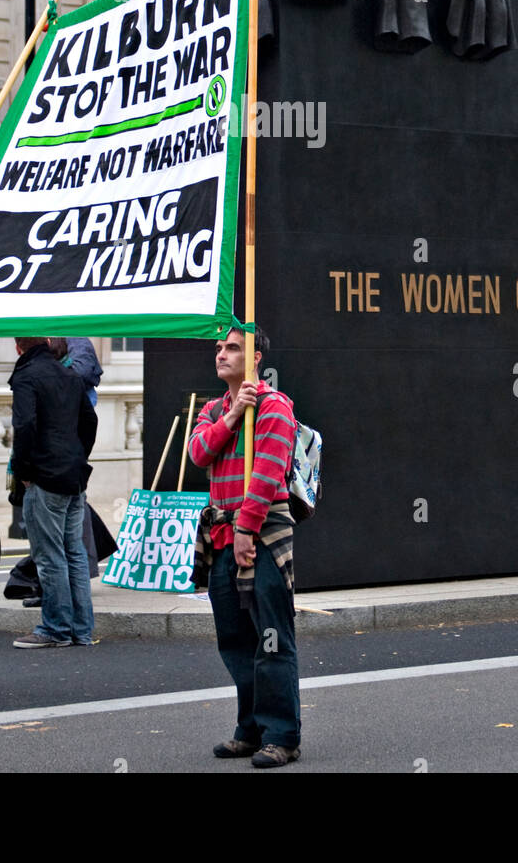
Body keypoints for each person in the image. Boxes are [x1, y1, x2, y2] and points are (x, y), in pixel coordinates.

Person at [188, 326, 300, 768]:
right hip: (221, 537)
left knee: (271, 638)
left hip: (261, 537)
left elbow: (268, 473)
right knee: (235, 639)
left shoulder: (276, 407)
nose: (222, 354)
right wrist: (232, 416)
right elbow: (198, 454)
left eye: (232, 348)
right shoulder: (214, 409)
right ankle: (251, 729)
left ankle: (283, 736)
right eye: (219, 347)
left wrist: (245, 531)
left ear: (255, 358)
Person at [8, 336, 97, 649]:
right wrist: (77, 456)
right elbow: (90, 420)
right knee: (74, 552)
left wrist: (24, 472)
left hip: (45, 477)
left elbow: (25, 426)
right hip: (73, 475)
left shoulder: (26, 376)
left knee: (49, 556)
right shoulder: (69, 373)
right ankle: (81, 630)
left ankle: (55, 628)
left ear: (18, 347)